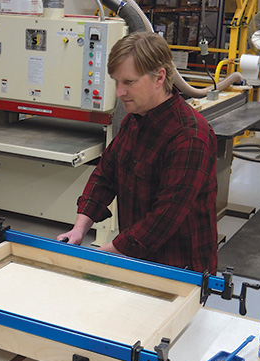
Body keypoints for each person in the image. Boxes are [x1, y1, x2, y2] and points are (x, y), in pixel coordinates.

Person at [57, 31, 218, 274]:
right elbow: (105, 175)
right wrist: (79, 229)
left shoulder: (189, 137)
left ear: (159, 77)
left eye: (128, 82)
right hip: (138, 257)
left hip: (180, 269)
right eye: (116, 82)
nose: (119, 92)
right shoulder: (134, 121)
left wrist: (102, 255)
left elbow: (164, 219)